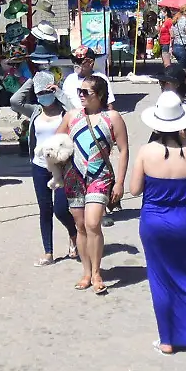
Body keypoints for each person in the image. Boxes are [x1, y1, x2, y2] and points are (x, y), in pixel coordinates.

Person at [129, 92, 186, 355]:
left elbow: (134, 189)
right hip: (185, 220)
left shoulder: (146, 152)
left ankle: (167, 339)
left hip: (154, 221)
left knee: (160, 279)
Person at [62, 75, 129, 295]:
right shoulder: (71, 116)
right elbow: (56, 142)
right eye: (79, 91)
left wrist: (119, 182)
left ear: (99, 95)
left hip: (100, 175)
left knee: (92, 223)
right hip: (74, 175)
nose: (81, 95)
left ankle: (97, 272)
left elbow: (124, 150)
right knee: (80, 225)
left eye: (86, 92)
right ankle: (86, 272)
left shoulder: (112, 117)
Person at [12, 70, 79, 265]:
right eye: (40, 94)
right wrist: (33, 81)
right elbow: (16, 101)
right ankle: (48, 252)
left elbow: (77, 112)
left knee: (60, 209)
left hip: (62, 167)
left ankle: (73, 233)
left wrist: (59, 92)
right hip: (40, 166)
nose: (44, 97)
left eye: (46, 92)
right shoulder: (34, 111)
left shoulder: (65, 113)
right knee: (45, 209)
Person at [58, 44, 108, 115]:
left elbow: (108, 105)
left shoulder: (100, 78)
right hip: (71, 120)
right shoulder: (69, 79)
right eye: (74, 60)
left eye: (79, 61)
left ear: (90, 63)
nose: (76, 64)